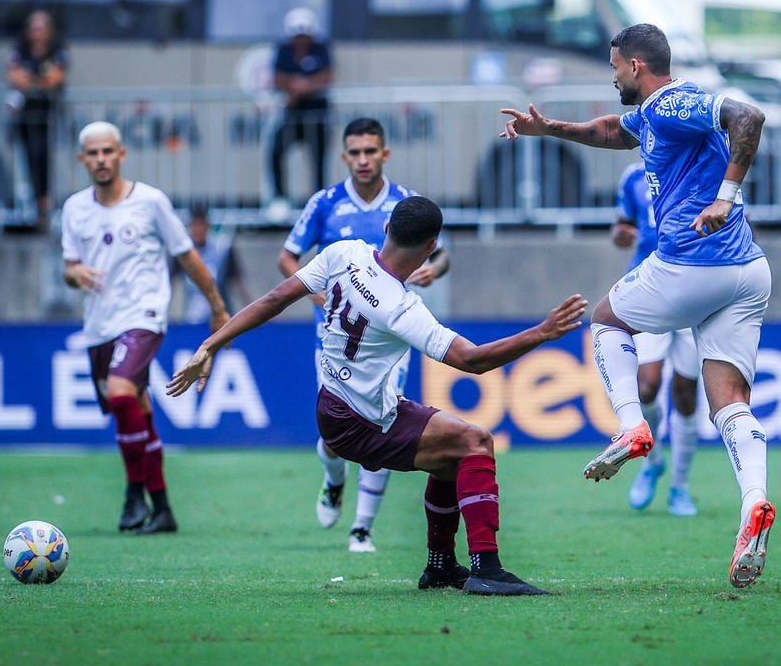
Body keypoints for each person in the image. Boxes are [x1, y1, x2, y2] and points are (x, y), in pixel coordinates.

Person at [168, 195, 586, 595]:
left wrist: (212, 345)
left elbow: (277, 297)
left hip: (332, 403)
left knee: (451, 450)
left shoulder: (344, 252)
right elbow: (472, 361)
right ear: (430, 248)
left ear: (386, 227)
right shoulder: (401, 307)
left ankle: (440, 565)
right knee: (476, 443)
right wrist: (542, 332)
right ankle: (487, 568)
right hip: (361, 419)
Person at [500, 23, 776, 589]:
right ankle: (754, 503)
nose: (612, 75)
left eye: (614, 67)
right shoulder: (652, 115)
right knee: (730, 403)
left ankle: (631, 427)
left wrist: (724, 196)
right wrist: (550, 129)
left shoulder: (674, 103)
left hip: (693, 265)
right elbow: (611, 131)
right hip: (747, 273)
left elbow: (748, 117)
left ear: (635, 67)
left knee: (604, 320)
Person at [279, 117, 450, 552]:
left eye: (370, 151)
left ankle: (362, 528)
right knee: (335, 438)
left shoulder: (407, 202)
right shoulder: (325, 203)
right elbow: (288, 258)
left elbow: (442, 254)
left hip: (390, 339)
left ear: (384, 154)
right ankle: (334, 480)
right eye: (354, 152)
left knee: (382, 421)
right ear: (344, 157)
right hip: (335, 338)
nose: (362, 160)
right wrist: (318, 298)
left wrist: (433, 269)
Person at [61, 121, 230, 535]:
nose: (101, 159)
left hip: (144, 317)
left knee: (121, 394)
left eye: (107, 152)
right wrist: (76, 273)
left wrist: (217, 307)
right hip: (99, 325)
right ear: (83, 159)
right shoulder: (74, 209)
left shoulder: (151, 202)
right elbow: (68, 269)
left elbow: (188, 257)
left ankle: (134, 491)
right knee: (139, 411)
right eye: (93, 153)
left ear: (121, 154)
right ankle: (163, 508)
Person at [612, 160, 702, 517]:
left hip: (697, 290)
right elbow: (622, 224)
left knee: (685, 391)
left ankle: (680, 487)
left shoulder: (703, 167)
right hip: (650, 288)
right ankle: (654, 461)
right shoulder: (632, 174)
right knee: (646, 387)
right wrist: (620, 233)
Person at [7, 10, 68, 229]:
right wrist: (37, 81)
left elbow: (54, 79)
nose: (37, 33)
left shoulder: (57, 51)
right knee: (28, 162)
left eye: (41, 28)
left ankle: (44, 210)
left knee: (43, 161)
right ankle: (30, 208)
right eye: (33, 28)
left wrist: (32, 81)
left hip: (46, 116)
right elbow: (14, 76)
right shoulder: (21, 51)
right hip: (24, 117)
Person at [268, 7, 333, 211]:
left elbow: (327, 76)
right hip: (292, 115)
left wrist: (302, 87)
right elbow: (277, 78)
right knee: (276, 151)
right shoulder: (284, 50)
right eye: (297, 36)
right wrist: (297, 84)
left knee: (318, 158)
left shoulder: (321, 49)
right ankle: (280, 198)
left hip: (317, 115)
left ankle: (318, 201)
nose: (301, 41)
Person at [181, 205, 250, 324]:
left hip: (222, 315)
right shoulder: (184, 251)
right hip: (192, 316)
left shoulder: (222, 249)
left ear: (208, 226)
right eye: (195, 225)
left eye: (201, 225)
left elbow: (237, 282)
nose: (199, 230)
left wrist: (251, 311)